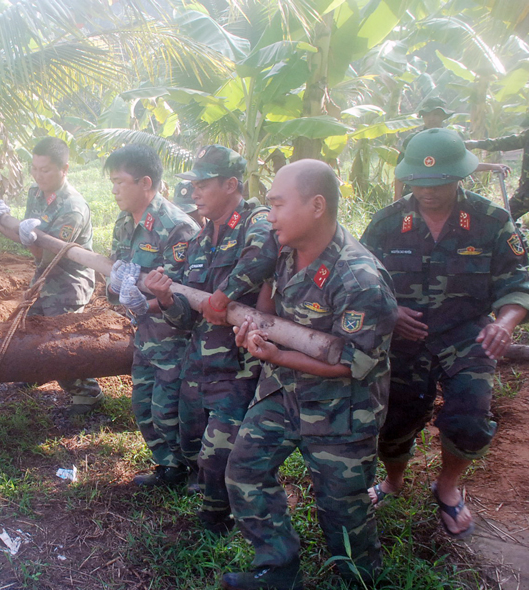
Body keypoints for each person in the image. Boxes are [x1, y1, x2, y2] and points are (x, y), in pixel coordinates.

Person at [222, 160, 399, 590]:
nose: (271, 215)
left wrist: (276, 355)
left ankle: (360, 580)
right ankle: (279, 568)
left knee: (342, 511)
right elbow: (271, 306)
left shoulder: (360, 278)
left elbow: (349, 363)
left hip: (342, 409)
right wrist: (258, 328)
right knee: (243, 472)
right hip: (283, 393)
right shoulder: (284, 249)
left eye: (278, 204)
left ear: (317, 205)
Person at [361, 128, 529, 539]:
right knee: (393, 423)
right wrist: (390, 310)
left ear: (459, 176)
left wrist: (506, 322)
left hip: (467, 337)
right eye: (418, 182)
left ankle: (448, 487)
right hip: (404, 339)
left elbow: (518, 280)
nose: (427, 191)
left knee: (470, 419)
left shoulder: (491, 221)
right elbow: (361, 281)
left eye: (438, 182)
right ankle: (393, 481)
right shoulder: (386, 224)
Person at [144, 145, 276, 532]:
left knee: (218, 452)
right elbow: (187, 318)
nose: (194, 192)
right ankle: (208, 495)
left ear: (231, 184)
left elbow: (264, 256)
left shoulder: (257, 221)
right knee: (191, 443)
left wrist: (227, 292)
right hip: (198, 362)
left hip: (238, 366)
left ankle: (217, 520)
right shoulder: (200, 241)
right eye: (192, 184)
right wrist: (167, 298)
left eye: (202, 184)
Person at [104, 145, 200, 487]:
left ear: (145, 182)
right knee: (143, 405)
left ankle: (197, 474)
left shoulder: (176, 229)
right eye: (111, 182)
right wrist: (115, 285)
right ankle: (169, 468)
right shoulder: (124, 223)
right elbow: (116, 272)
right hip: (144, 334)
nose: (114, 189)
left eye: (119, 181)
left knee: (169, 410)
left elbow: (184, 295)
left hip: (174, 338)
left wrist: (148, 303)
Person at [0, 137, 103, 414]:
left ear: (64, 169)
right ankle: (37, 372)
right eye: (34, 168)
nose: (38, 175)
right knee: (29, 326)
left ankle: (87, 392)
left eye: (45, 170)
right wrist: (2, 221)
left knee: (59, 340)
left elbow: (48, 254)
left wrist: (23, 236)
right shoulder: (36, 193)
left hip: (69, 282)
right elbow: (33, 236)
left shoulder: (73, 207)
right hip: (46, 275)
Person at [394, 97, 509, 200]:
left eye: (436, 114)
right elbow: (400, 170)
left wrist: (493, 166)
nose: (431, 118)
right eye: (427, 115)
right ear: (422, 117)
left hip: (446, 194)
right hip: (416, 194)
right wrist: (397, 197)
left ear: (444, 116)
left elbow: (463, 166)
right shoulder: (412, 140)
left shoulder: (452, 140)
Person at [466, 114, 529, 219]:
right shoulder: (527, 136)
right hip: (524, 194)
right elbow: (505, 142)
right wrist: (477, 144)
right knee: (502, 220)